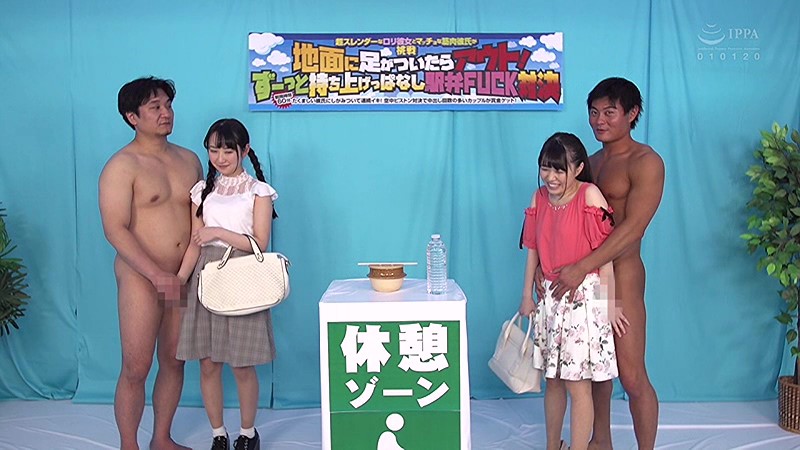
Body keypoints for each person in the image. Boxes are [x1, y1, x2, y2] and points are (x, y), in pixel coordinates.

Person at [541, 77, 665, 450]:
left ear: (632, 113)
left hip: (621, 274)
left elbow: (633, 227)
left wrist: (582, 266)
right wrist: (543, 267)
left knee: (632, 375)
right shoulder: (589, 163)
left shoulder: (646, 162)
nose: (599, 120)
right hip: (581, 281)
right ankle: (600, 442)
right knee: (592, 371)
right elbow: (557, 216)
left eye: (610, 112)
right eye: (594, 112)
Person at [99, 76, 201, 450]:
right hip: (140, 274)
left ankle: (162, 438)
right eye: (155, 107)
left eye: (168, 105)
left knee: (175, 361)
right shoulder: (121, 166)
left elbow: (199, 220)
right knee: (136, 366)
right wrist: (156, 274)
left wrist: (182, 273)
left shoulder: (189, 160)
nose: (165, 113)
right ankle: (129, 444)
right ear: (132, 117)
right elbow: (115, 228)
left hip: (181, 273)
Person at [519, 132, 628, 450]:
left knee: (577, 384)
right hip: (550, 297)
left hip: (584, 299)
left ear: (578, 168)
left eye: (559, 169)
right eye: (545, 168)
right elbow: (532, 249)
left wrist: (610, 304)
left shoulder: (590, 196)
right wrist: (526, 295)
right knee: (552, 380)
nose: (551, 177)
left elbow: (605, 254)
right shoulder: (538, 198)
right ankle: (553, 445)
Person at [176, 118, 278, 450]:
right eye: (213, 150)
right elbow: (195, 243)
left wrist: (218, 232)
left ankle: (247, 433)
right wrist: (179, 280)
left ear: (244, 151)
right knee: (208, 363)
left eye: (228, 150)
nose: (220, 158)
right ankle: (218, 433)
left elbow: (260, 242)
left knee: (242, 363)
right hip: (206, 275)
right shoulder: (201, 191)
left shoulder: (259, 191)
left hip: (243, 274)